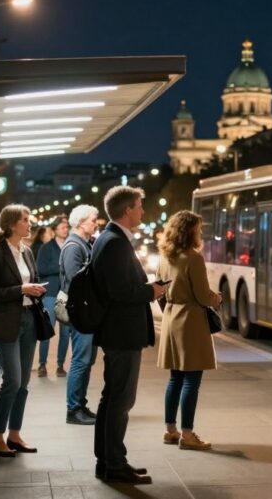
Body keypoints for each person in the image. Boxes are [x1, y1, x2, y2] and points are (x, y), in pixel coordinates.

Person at [91, 186, 165, 484]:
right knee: (121, 400)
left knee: (112, 398)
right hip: (121, 333)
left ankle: (107, 460)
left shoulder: (108, 239)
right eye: (139, 206)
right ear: (127, 211)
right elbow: (120, 291)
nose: (142, 212)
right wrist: (152, 290)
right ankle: (115, 463)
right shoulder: (115, 243)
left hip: (116, 331)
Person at [0, 204, 47, 458]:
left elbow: (32, 279)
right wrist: (21, 289)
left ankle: (15, 434)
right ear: (11, 224)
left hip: (29, 319)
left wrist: (37, 289)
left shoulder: (28, 252)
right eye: (25, 219)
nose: (29, 224)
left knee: (25, 383)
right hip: (7, 322)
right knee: (12, 381)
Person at [156, 211, 222, 451]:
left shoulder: (165, 257)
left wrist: (169, 309)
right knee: (192, 381)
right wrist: (217, 299)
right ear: (189, 231)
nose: (200, 233)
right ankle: (188, 434)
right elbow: (203, 296)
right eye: (198, 228)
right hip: (191, 321)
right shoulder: (193, 258)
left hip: (172, 318)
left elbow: (158, 291)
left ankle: (170, 430)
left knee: (175, 377)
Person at [61, 205, 100, 426]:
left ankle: (80, 405)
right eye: (93, 220)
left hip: (87, 312)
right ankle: (73, 409)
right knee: (80, 360)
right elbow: (76, 281)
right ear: (80, 222)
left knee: (86, 360)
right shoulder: (74, 247)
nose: (96, 224)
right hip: (80, 313)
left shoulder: (84, 244)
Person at [35, 216, 71, 377]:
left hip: (66, 294)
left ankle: (60, 365)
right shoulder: (46, 248)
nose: (66, 229)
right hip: (50, 294)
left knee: (65, 332)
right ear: (55, 229)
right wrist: (61, 266)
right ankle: (42, 364)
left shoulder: (71, 246)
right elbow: (41, 269)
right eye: (63, 227)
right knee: (48, 330)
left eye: (67, 227)